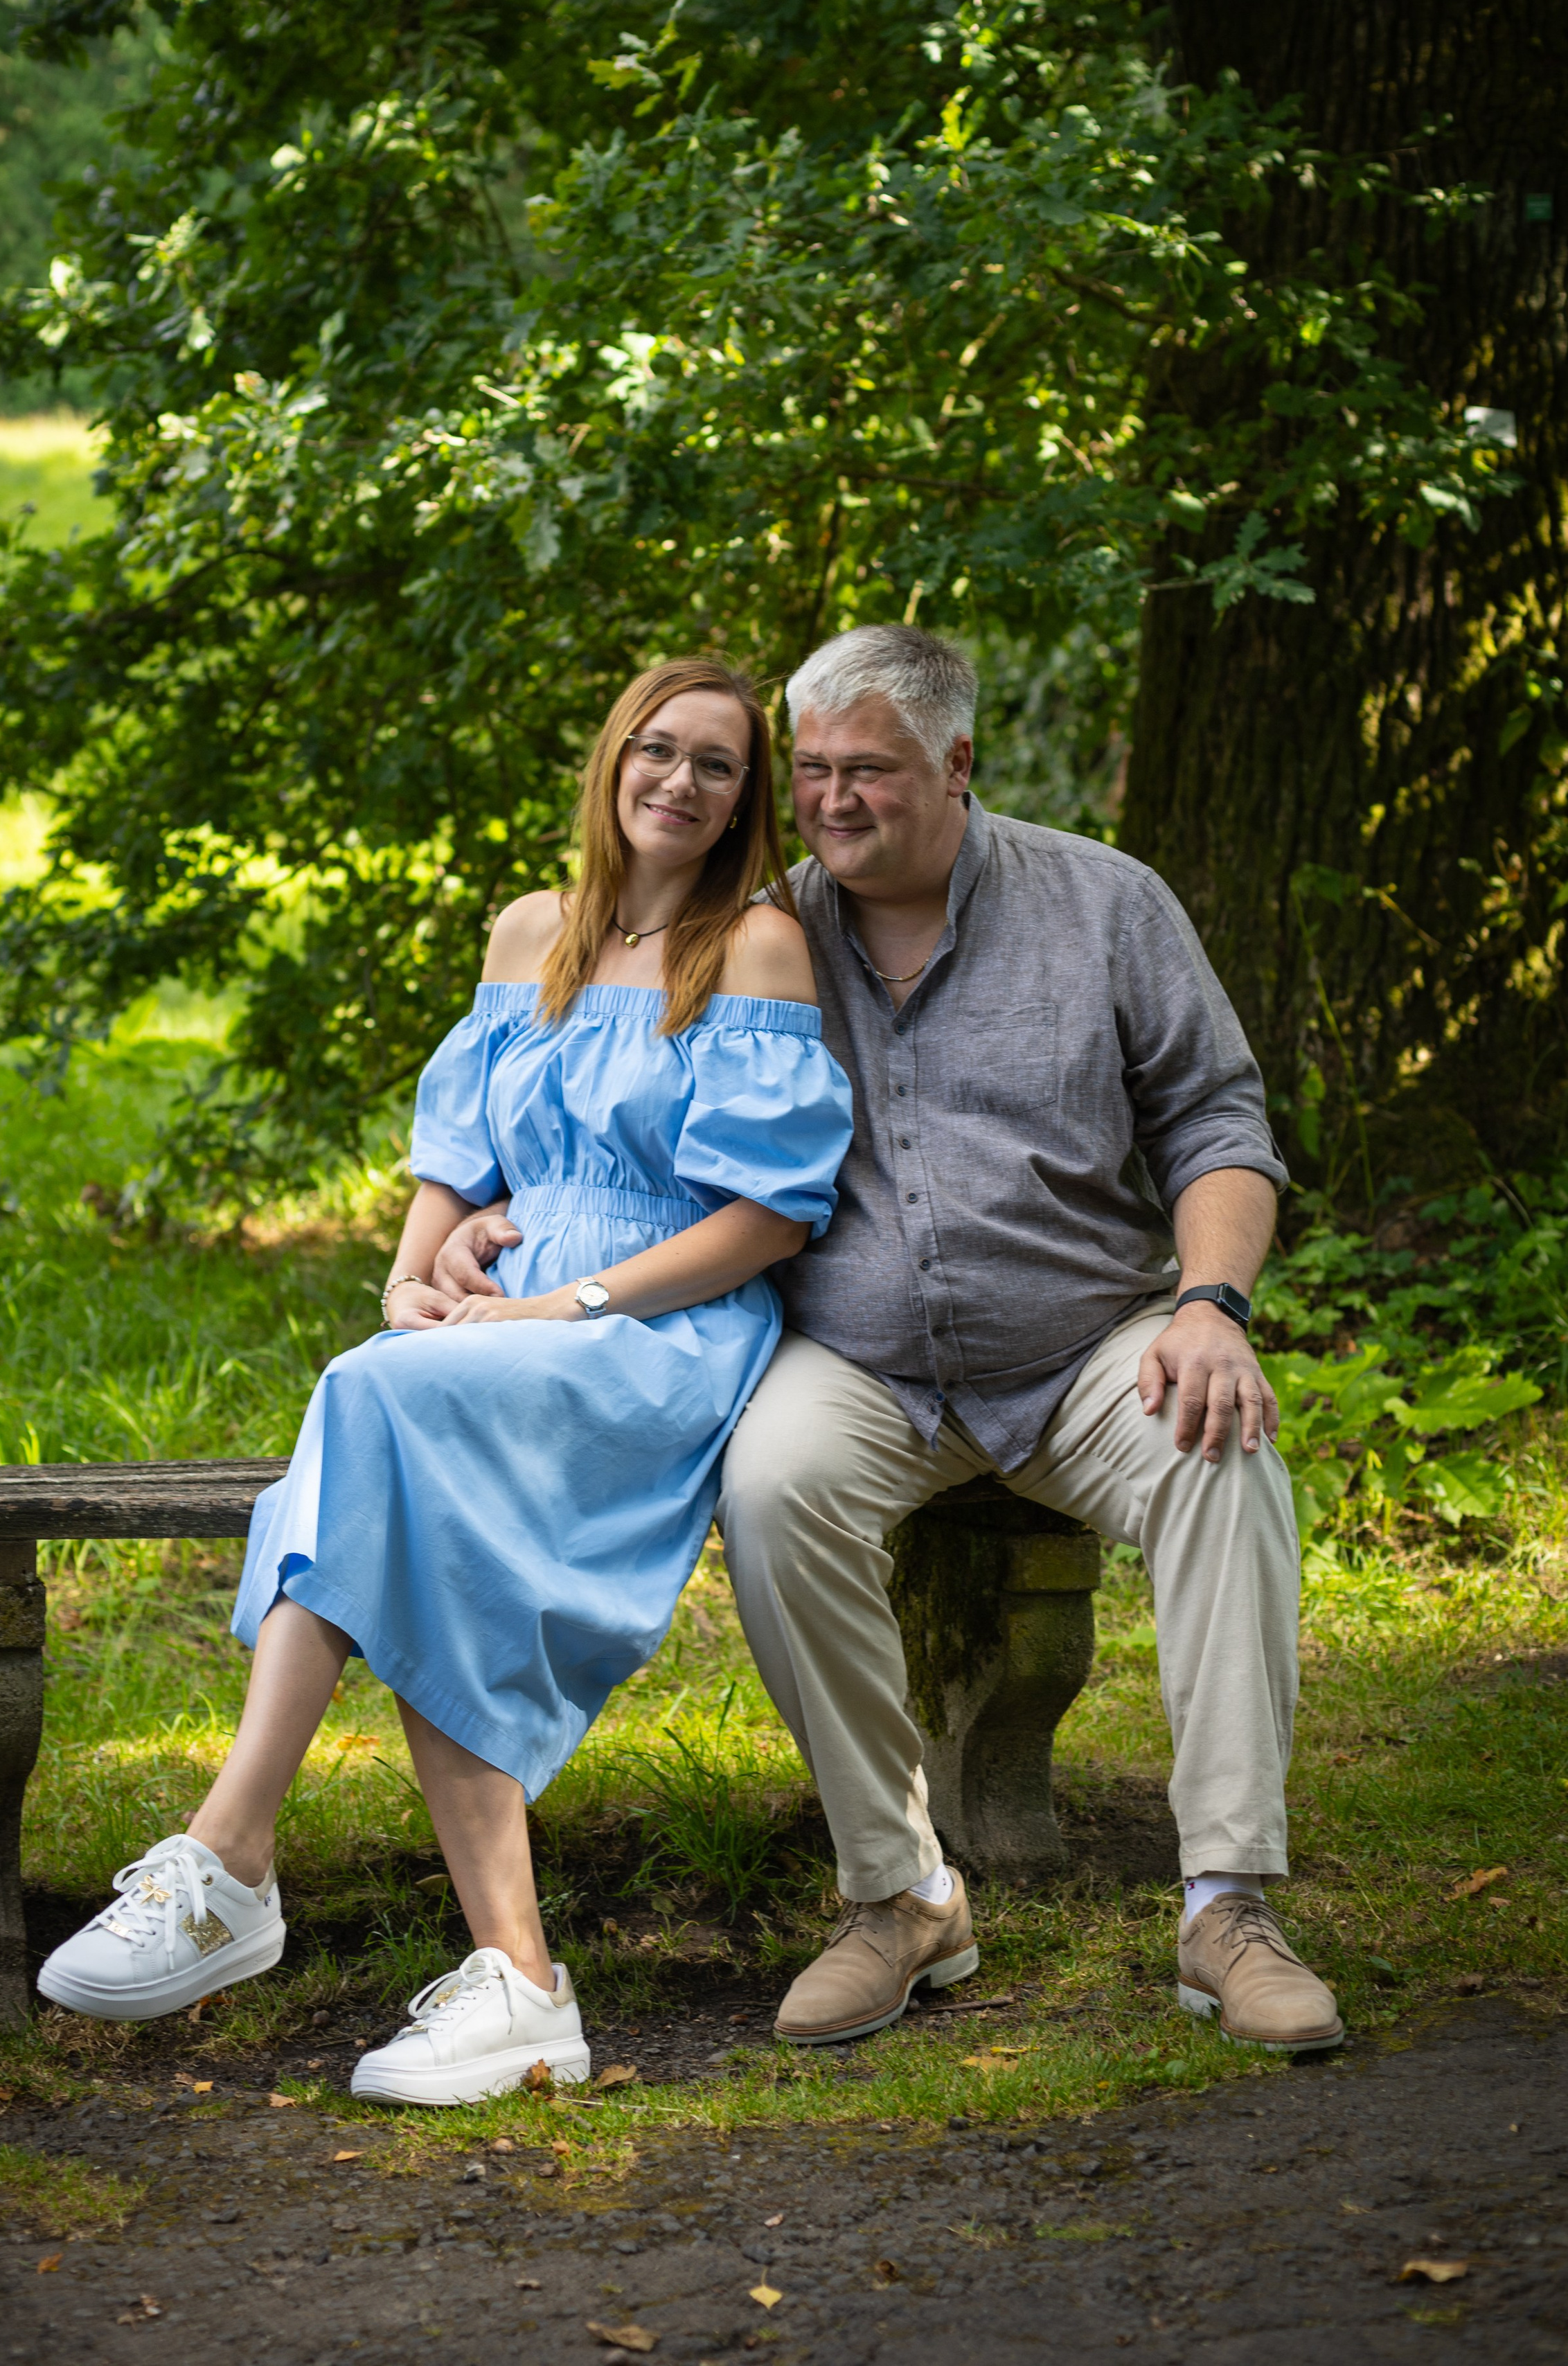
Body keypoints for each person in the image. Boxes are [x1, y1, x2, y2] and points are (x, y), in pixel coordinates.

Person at [437, 623, 1342, 2060]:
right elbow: (591, 1114)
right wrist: (488, 1220)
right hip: (856, 1363)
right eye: (808, 774)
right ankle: (901, 1895)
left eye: (869, 773)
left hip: (1087, 1346)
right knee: (773, 1486)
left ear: (956, 764)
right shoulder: (754, 935)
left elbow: (1214, 1124)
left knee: (1219, 1455)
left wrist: (1208, 1307)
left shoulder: (1104, 906)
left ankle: (1226, 1906)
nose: (832, 803)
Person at [37, 657, 853, 2106]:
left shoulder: (756, 950)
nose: (677, 781)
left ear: (746, 802)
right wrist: (417, 1278)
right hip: (501, 1334)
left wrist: (563, 1297)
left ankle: (235, 1862)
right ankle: (509, 1976)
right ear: (612, 764)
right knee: (387, 1405)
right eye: (654, 751)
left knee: (373, 1408)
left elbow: (769, 1218)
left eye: (715, 765)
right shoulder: (531, 934)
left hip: (657, 1327)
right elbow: (455, 1164)